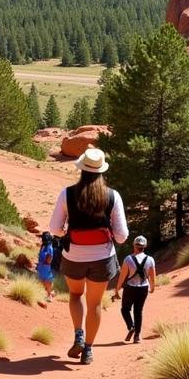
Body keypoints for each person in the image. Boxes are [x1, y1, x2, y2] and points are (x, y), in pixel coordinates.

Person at [48, 147, 128, 365]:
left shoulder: (67, 194)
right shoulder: (113, 196)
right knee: (95, 304)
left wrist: (67, 233)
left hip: (73, 255)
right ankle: (89, 351)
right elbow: (121, 237)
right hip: (102, 258)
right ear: (101, 172)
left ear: (82, 169)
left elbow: (54, 229)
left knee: (75, 295)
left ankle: (78, 335)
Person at [112, 235, 156, 344]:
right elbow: (152, 277)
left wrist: (117, 290)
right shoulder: (150, 260)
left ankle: (131, 326)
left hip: (130, 288)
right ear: (144, 247)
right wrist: (152, 288)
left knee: (125, 309)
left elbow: (122, 277)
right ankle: (137, 337)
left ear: (134, 246)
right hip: (143, 288)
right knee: (138, 311)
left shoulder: (128, 259)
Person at [37, 231, 56, 301]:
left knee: (47, 281)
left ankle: (49, 295)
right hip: (41, 265)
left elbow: (49, 259)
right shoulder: (43, 246)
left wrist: (44, 262)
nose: (43, 239)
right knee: (41, 280)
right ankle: (50, 293)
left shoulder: (49, 247)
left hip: (45, 266)